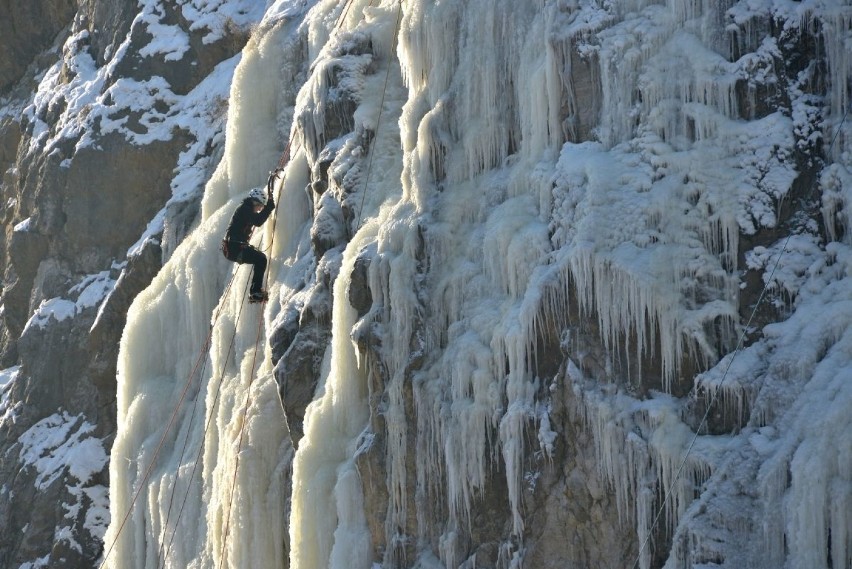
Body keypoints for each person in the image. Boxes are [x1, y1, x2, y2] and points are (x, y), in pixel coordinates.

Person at [221, 182, 276, 303]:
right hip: (234, 248)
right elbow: (258, 221)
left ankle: (255, 292)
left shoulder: (245, 208)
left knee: (259, 258)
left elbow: (255, 219)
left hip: (234, 247)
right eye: (260, 206)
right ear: (255, 202)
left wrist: (267, 208)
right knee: (261, 259)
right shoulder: (245, 209)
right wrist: (269, 208)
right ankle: (255, 292)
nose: (260, 209)